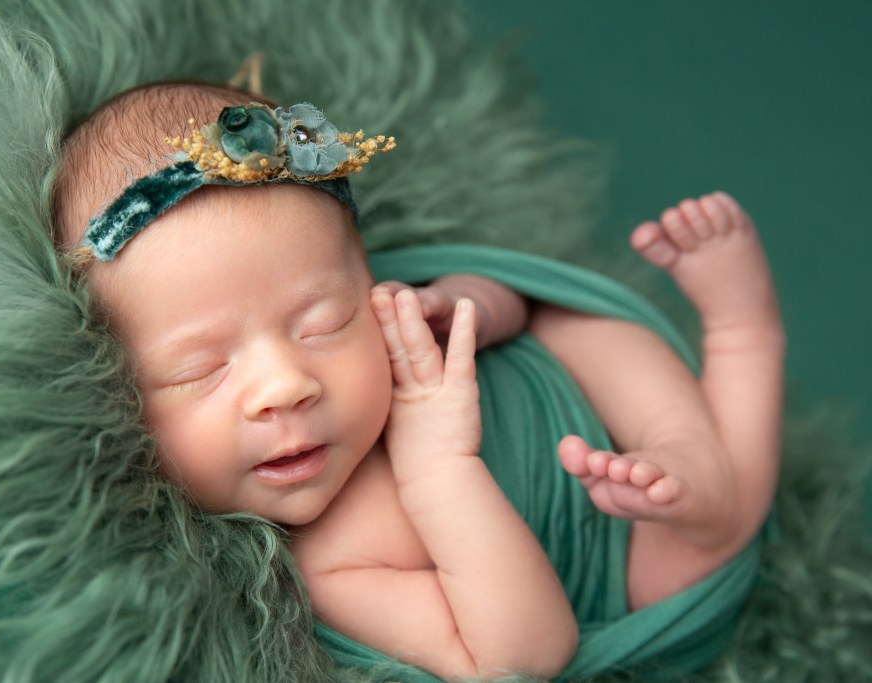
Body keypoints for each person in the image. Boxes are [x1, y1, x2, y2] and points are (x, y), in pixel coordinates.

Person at [53, 79, 784, 680]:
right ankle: (745, 340)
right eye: (201, 368)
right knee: (703, 543)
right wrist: (439, 469)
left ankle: (684, 435)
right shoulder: (332, 565)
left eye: (323, 322)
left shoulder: (397, 319)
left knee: (574, 324)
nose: (286, 383)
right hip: (624, 551)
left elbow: (514, 297)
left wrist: (473, 308)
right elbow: (527, 651)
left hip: (600, 408)